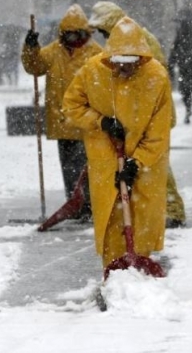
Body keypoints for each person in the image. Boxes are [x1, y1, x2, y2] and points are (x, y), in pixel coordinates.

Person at [62, 17, 172, 269]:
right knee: (112, 214)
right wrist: (100, 121)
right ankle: (113, 266)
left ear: (141, 58)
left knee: (143, 213)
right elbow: (71, 106)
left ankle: (139, 262)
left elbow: (159, 131)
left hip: (147, 160)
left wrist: (137, 162)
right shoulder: (93, 71)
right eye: (119, 62)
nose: (124, 68)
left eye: (130, 63)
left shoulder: (156, 77)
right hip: (106, 155)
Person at [87, 1, 186, 228]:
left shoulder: (138, 40)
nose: (103, 36)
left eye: (103, 31)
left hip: (151, 115)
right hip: (138, 114)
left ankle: (173, 211)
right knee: (143, 164)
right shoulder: (125, 41)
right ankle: (155, 210)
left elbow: (153, 78)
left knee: (154, 163)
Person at [21, 4, 102, 220]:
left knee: (86, 168)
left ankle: (87, 205)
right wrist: (31, 47)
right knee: (69, 168)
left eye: (78, 34)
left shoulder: (96, 54)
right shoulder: (54, 52)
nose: (74, 39)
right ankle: (76, 204)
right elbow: (35, 67)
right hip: (62, 122)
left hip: (87, 122)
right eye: (70, 34)